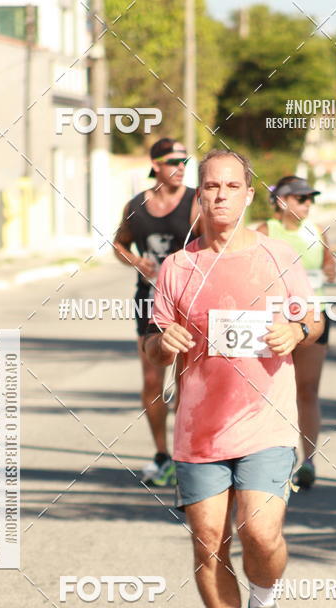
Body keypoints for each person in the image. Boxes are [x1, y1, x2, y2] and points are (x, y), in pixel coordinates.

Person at [144, 149, 323, 608]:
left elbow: (311, 319)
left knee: (262, 533)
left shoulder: (278, 258)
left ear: (248, 195)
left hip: (265, 421)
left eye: (230, 186)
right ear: (200, 194)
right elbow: (154, 344)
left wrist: (296, 331)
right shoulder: (178, 267)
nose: (220, 195)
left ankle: (263, 604)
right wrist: (164, 342)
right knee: (208, 541)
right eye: (210, 187)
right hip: (199, 429)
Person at [113, 137, 200, 486]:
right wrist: (136, 260)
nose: (180, 169)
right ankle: (162, 455)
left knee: (187, 381)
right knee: (152, 380)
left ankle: (185, 455)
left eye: (184, 162)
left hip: (190, 300)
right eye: (172, 162)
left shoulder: (196, 200)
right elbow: (118, 244)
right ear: (155, 165)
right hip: (150, 298)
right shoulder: (136, 205)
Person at [257, 175, 336, 488]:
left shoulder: (318, 231)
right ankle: (269, 457)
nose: (307, 204)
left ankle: (309, 461)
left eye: (310, 198)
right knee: (270, 390)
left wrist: (329, 270)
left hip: (314, 318)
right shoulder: (265, 232)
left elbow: (330, 266)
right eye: (301, 198)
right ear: (281, 201)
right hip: (275, 319)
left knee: (307, 389)